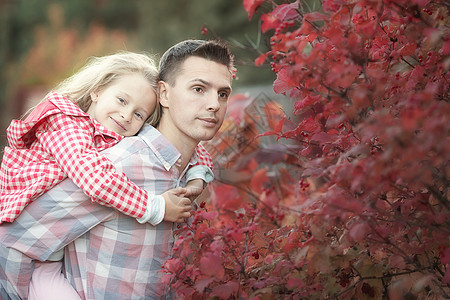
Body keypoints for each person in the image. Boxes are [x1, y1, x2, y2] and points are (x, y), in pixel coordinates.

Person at [0, 50, 217, 299]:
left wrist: (197, 175)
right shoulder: (64, 122)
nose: (126, 115)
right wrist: (157, 207)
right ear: (98, 90)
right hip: (30, 255)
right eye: (122, 101)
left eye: (139, 114)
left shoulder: (113, 135)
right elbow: (95, 180)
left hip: (57, 251)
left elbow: (179, 148)